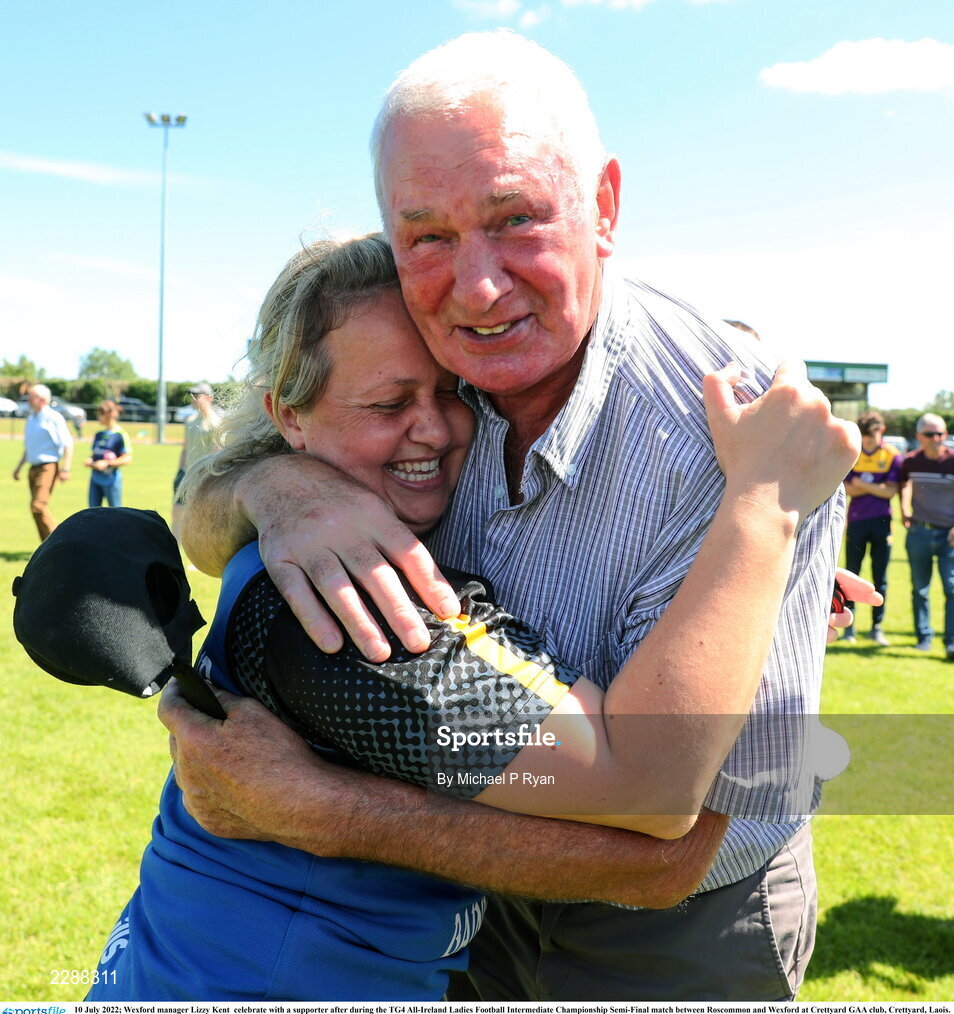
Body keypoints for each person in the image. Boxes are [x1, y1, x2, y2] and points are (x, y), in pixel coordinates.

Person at [163, 32, 861, 1001]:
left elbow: (672, 827)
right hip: (465, 897)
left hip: (684, 916)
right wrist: (275, 489)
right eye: (428, 236)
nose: (479, 287)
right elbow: (208, 505)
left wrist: (322, 809)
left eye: (517, 218)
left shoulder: (743, 436)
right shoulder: (427, 362)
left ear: (604, 206)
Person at [841, 410, 902, 645]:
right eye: (865, 436)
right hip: (856, 522)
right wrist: (876, 486)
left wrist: (861, 484)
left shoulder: (892, 455)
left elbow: (891, 491)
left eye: (872, 436)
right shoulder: (853, 453)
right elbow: (847, 488)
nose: (868, 441)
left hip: (882, 523)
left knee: (880, 577)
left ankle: (877, 627)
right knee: (851, 576)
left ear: (882, 431)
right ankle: (849, 627)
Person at [899, 412, 954, 659]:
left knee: (952, 589)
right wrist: (904, 508)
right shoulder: (910, 461)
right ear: (919, 436)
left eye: (941, 433)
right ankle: (923, 637)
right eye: (931, 434)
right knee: (920, 589)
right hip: (919, 532)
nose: (937, 438)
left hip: (949, 536)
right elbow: (903, 485)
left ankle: (951, 642)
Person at [11, 383, 74, 541]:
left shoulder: (53, 418)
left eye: (32, 397)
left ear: (43, 399)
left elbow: (67, 444)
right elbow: (29, 447)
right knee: (35, 509)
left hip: (47, 467)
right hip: (33, 467)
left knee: (38, 506)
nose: (28, 400)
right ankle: (45, 545)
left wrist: (65, 469)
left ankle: (58, 542)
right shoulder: (32, 418)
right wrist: (19, 467)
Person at [171, 382, 220, 542]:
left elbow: (217, 452)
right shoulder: (190, 420)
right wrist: (179, 472)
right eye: (192, 395)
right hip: (186, 474)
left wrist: (209, 477)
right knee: (177, 513)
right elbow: (185, 448)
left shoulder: (216, 423)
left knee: (200, 518)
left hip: (203, 477)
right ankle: (173, 552)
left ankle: (199, 556)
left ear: (208, 398)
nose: (193, 399)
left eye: (197, 395)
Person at [84, 400, 133, 508]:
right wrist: (90, 460)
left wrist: (107, 463)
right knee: (92, 513)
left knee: (115, 513)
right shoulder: (99, 434)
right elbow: (95, 454)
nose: (98, 417)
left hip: (111, 480)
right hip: (95, 479)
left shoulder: (120, 435)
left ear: (111, 414)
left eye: (101, 414)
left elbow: (128, 458)